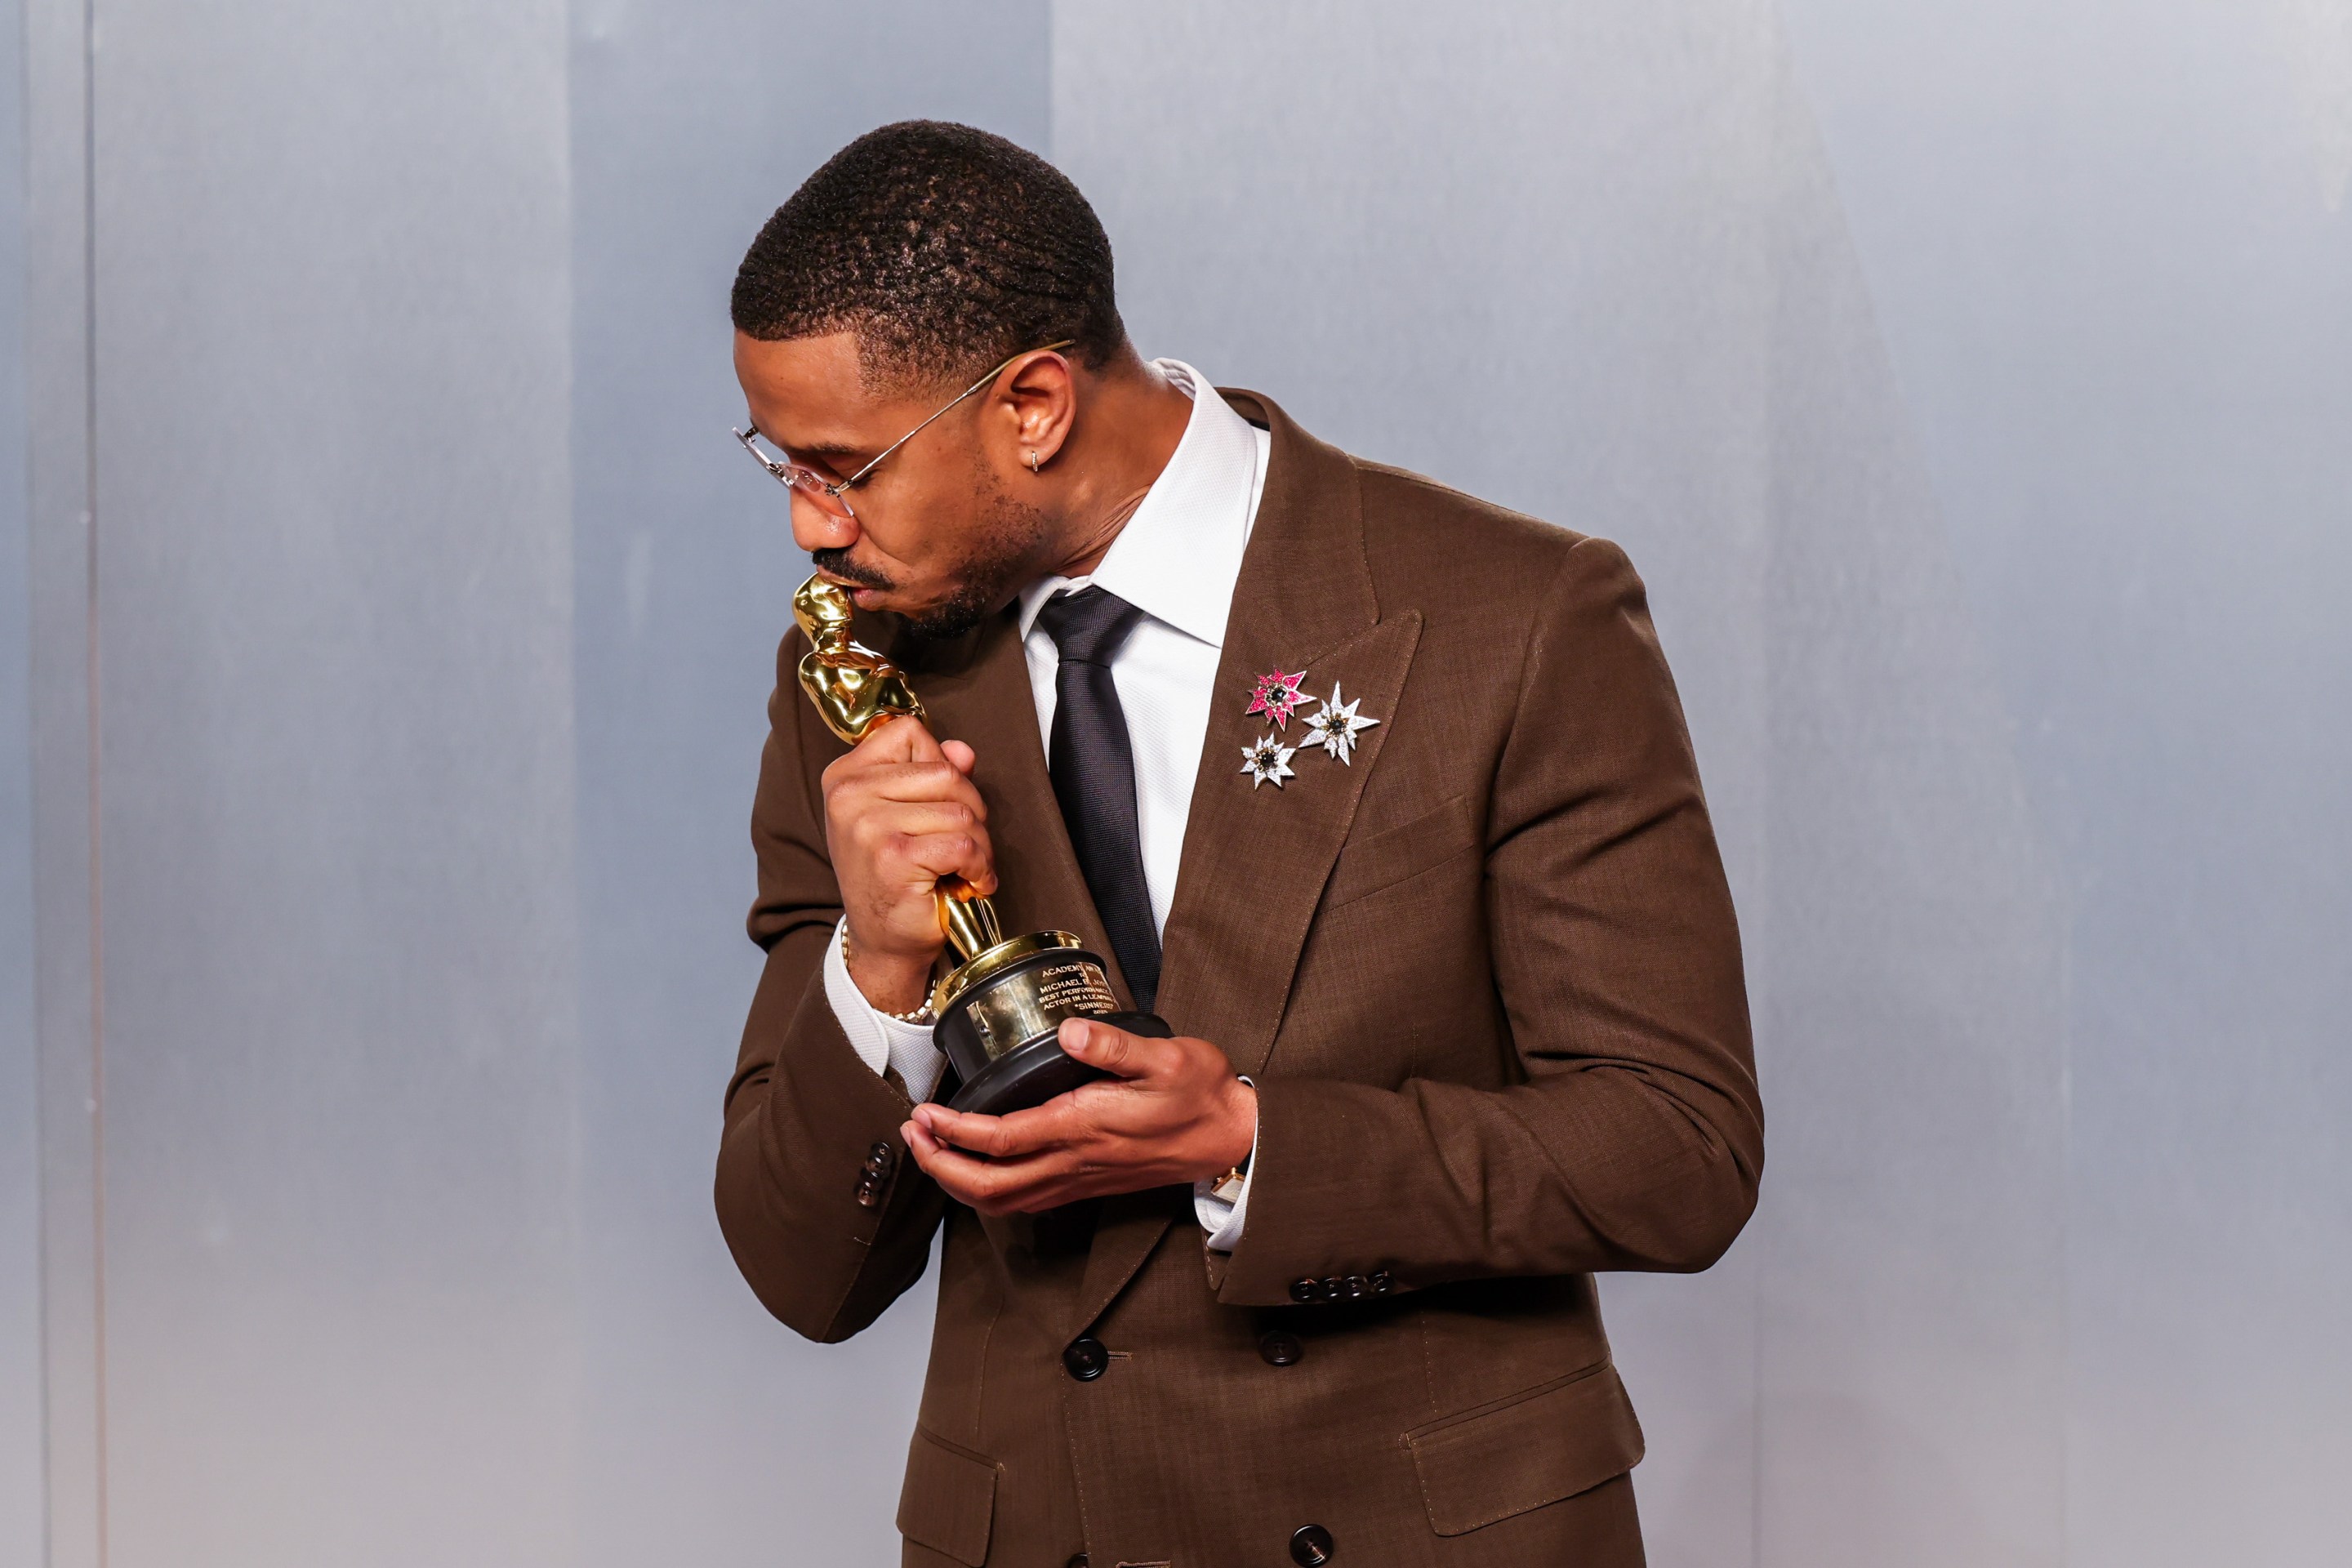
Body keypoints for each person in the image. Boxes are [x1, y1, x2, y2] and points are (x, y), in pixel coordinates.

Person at [715, 120, 1762, 1568]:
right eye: (777, 461)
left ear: (1031, 404)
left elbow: (1678, 1148)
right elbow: (799, 1269)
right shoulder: (856, 677)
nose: (803, 526)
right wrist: (878, 971)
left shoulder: (1515, 618)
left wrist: (1254, 1143)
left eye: (843, 467)